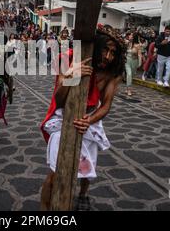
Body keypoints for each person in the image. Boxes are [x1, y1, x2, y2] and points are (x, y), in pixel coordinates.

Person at [40, 24, 126, 211]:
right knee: (55, 173)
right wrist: (73, 75)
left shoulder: (112, 73)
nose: (108, 57)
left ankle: (83, 194)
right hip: (63, 117)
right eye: (105, 49)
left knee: (87, 170)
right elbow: (59, 99)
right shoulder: (68, 59)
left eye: (113, 52)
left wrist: (89, 120)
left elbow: (105, 106)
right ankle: (43, 211)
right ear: (97, 46)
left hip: (89, 119)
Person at [124, 32, 142, 96]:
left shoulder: (138, 45)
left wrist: (140, 63)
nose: (130, 36)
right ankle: (129, 89)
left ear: (134, 37)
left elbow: (139, 54)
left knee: (131, 76)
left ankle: (127, 87)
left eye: (131, 35)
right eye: (130, 35)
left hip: (134, 61)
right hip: (127, 61)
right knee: (129, 74)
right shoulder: (127, 43)